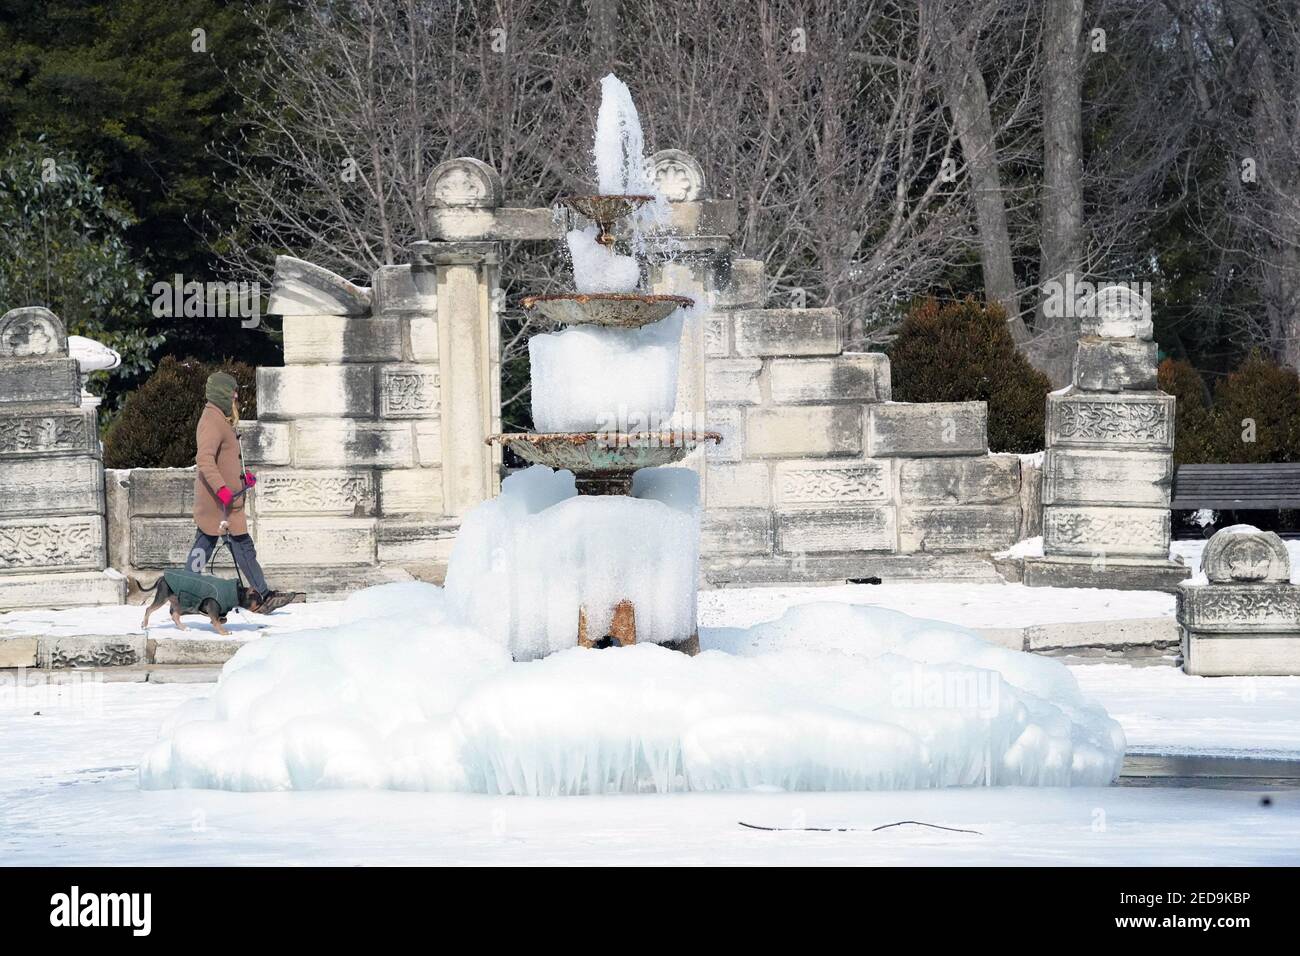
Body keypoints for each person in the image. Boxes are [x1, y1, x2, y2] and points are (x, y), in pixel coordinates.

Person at [189, 371, 294, 614]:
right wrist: (222, 489)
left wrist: (242, 478)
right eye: (233, 392)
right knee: (211, 547)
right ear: (222, 393)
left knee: (233, 546)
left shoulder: (220, 418)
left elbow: (226, 459)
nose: (236, 397)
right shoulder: (211, 420)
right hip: (218, 505)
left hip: (227, 505)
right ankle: (184, 592)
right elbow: (204, 460)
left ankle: (262, 595)